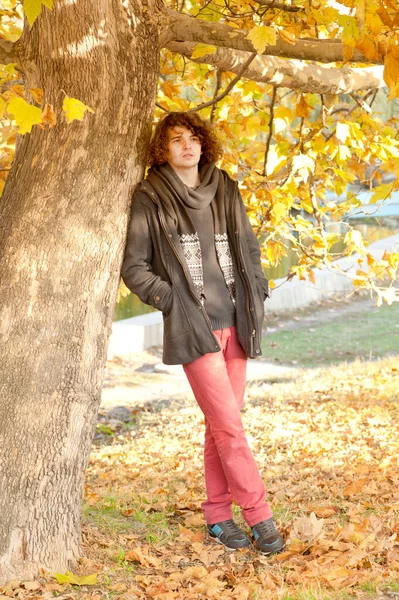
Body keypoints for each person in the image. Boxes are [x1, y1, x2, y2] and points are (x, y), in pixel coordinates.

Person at [121, 111, 284, 555]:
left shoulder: (224, 187)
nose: (187, 146)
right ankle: (261, 518)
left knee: (221, 426)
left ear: (203, 143)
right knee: (229, 427)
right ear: (163, 149)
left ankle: (216, 516)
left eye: (193, 138)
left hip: (237, 318)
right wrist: (173, 300)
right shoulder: (151, 197)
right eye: (176, 140)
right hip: (195, 328)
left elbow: (247, 244)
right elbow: (134, 268)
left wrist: (259, 287)